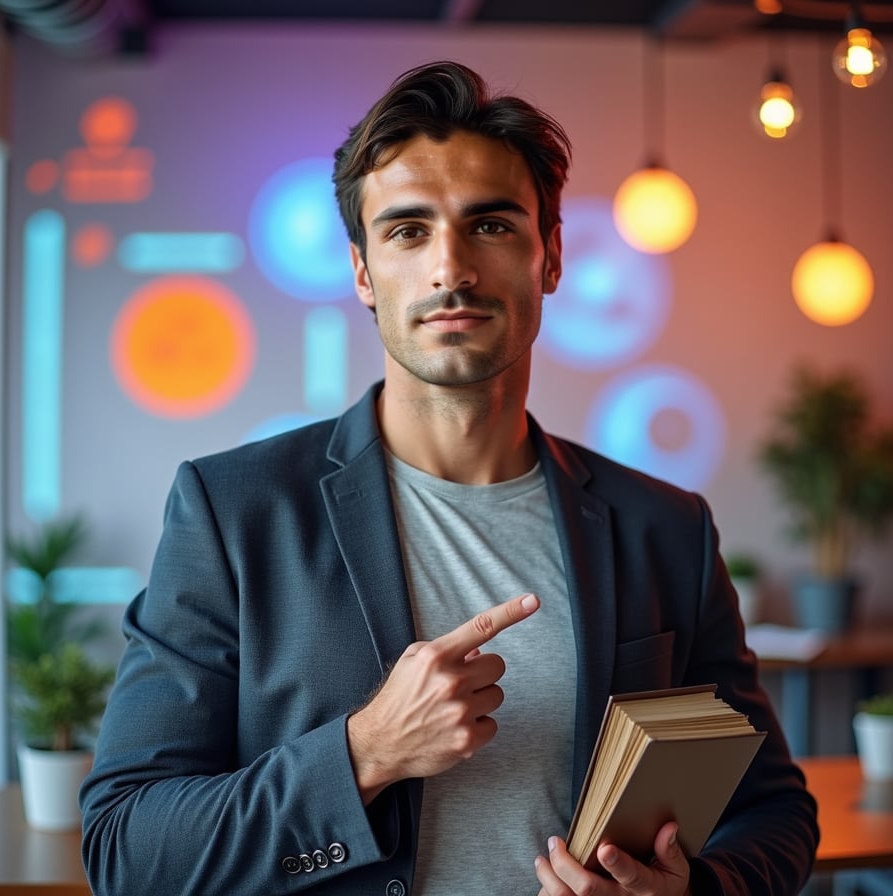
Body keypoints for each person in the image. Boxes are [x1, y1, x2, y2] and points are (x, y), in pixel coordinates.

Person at [80, 61, 818, 895]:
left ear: (551, 257)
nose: (451, 268)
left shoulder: (666, 530)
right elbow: (126, 851)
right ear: (362, 272)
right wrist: (363, 755)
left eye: (492, 225)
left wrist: (694, 892)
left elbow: (776, 815)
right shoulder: (233, 512)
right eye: (407, 230)